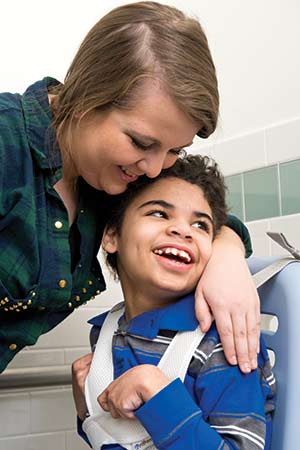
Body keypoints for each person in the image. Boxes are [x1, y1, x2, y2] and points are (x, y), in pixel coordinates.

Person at [0, 1, 258, 374]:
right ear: (87, 98)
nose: (154, 168)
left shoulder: (113, 183)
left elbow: (211, 217)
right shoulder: (7, 144)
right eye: (141, 143)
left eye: (175, 151)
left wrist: (228, 259)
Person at [72, 155, 275, 450]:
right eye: (159, 213)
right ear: (112, 235)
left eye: (201, 225)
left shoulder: (222, 343)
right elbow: (124, 441)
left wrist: (156, 390)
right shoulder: (107, 332)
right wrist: (88, 410)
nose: (183, 230)